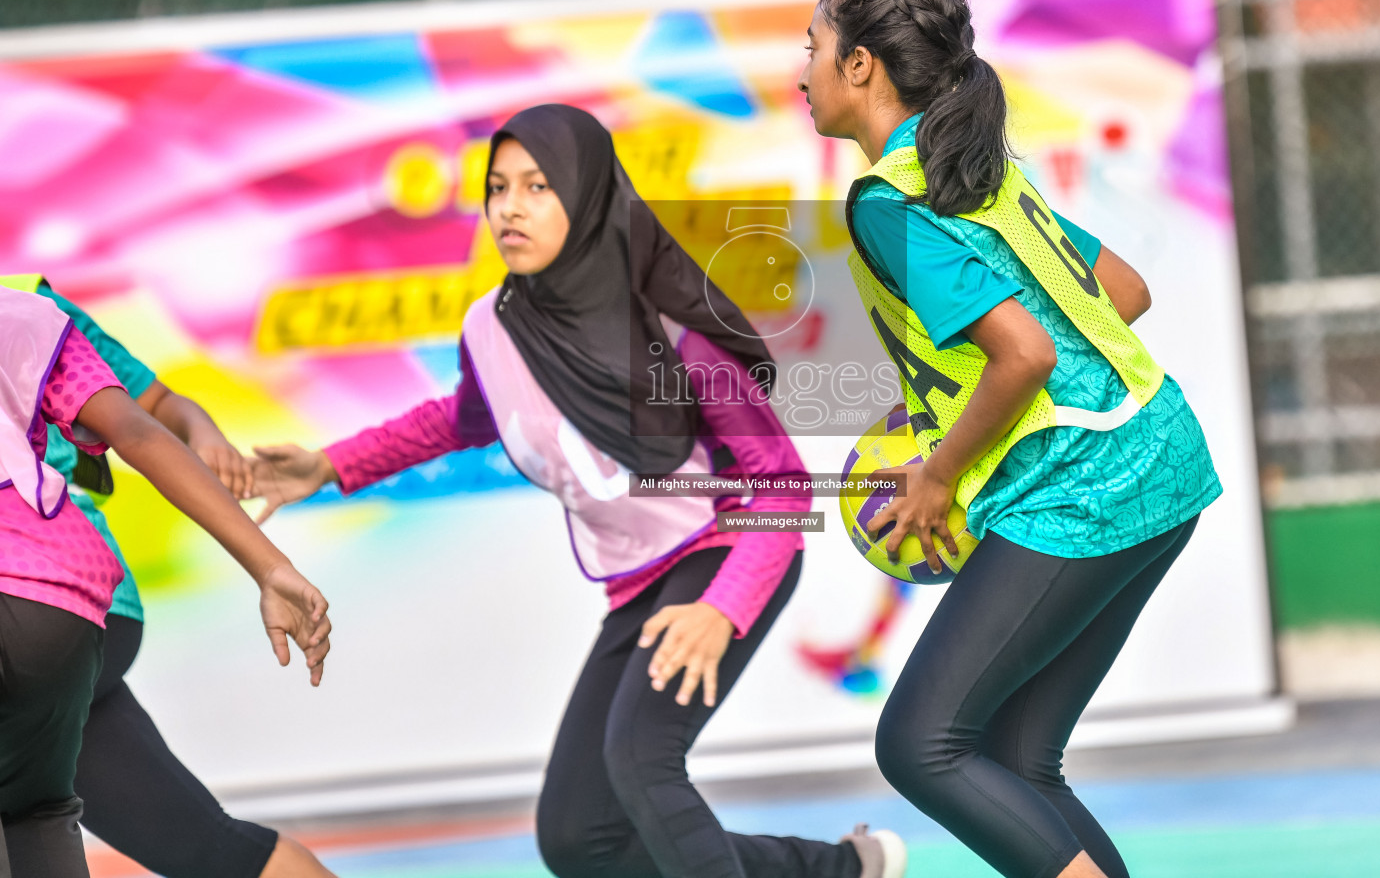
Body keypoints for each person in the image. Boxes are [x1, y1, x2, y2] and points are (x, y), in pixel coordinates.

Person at [249, 104, 905, 878]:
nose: (510, 208)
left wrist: (721, 607)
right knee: (579, 838)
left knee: (640, 760)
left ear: (590, 194)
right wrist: (332, 464)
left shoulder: (672, 325)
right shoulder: (493, 326)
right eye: (497, 188)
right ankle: (845, 870)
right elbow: (460, 419)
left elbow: (783, 490)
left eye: (537, 187)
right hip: (640, 583)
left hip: (725, 552)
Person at [798, 0, 1223, 878]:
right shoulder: (980, 169)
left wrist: (939, 471)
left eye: (814, 48)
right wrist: (949, 397)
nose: (803, 72)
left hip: (1085, 489)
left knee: (921, 744)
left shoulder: (887, 199)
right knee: (1019, 763)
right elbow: (1123, 293)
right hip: (1164, 456)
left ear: (862, 65)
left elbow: (1024, 355)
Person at [0, 274, 337, 878]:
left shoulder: (28, 301)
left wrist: (203, 433)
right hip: (71, 618)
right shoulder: (19, 307)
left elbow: (151, 409)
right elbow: (138, 427)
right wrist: (269, 566)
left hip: (46, 600)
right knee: (201, 847)